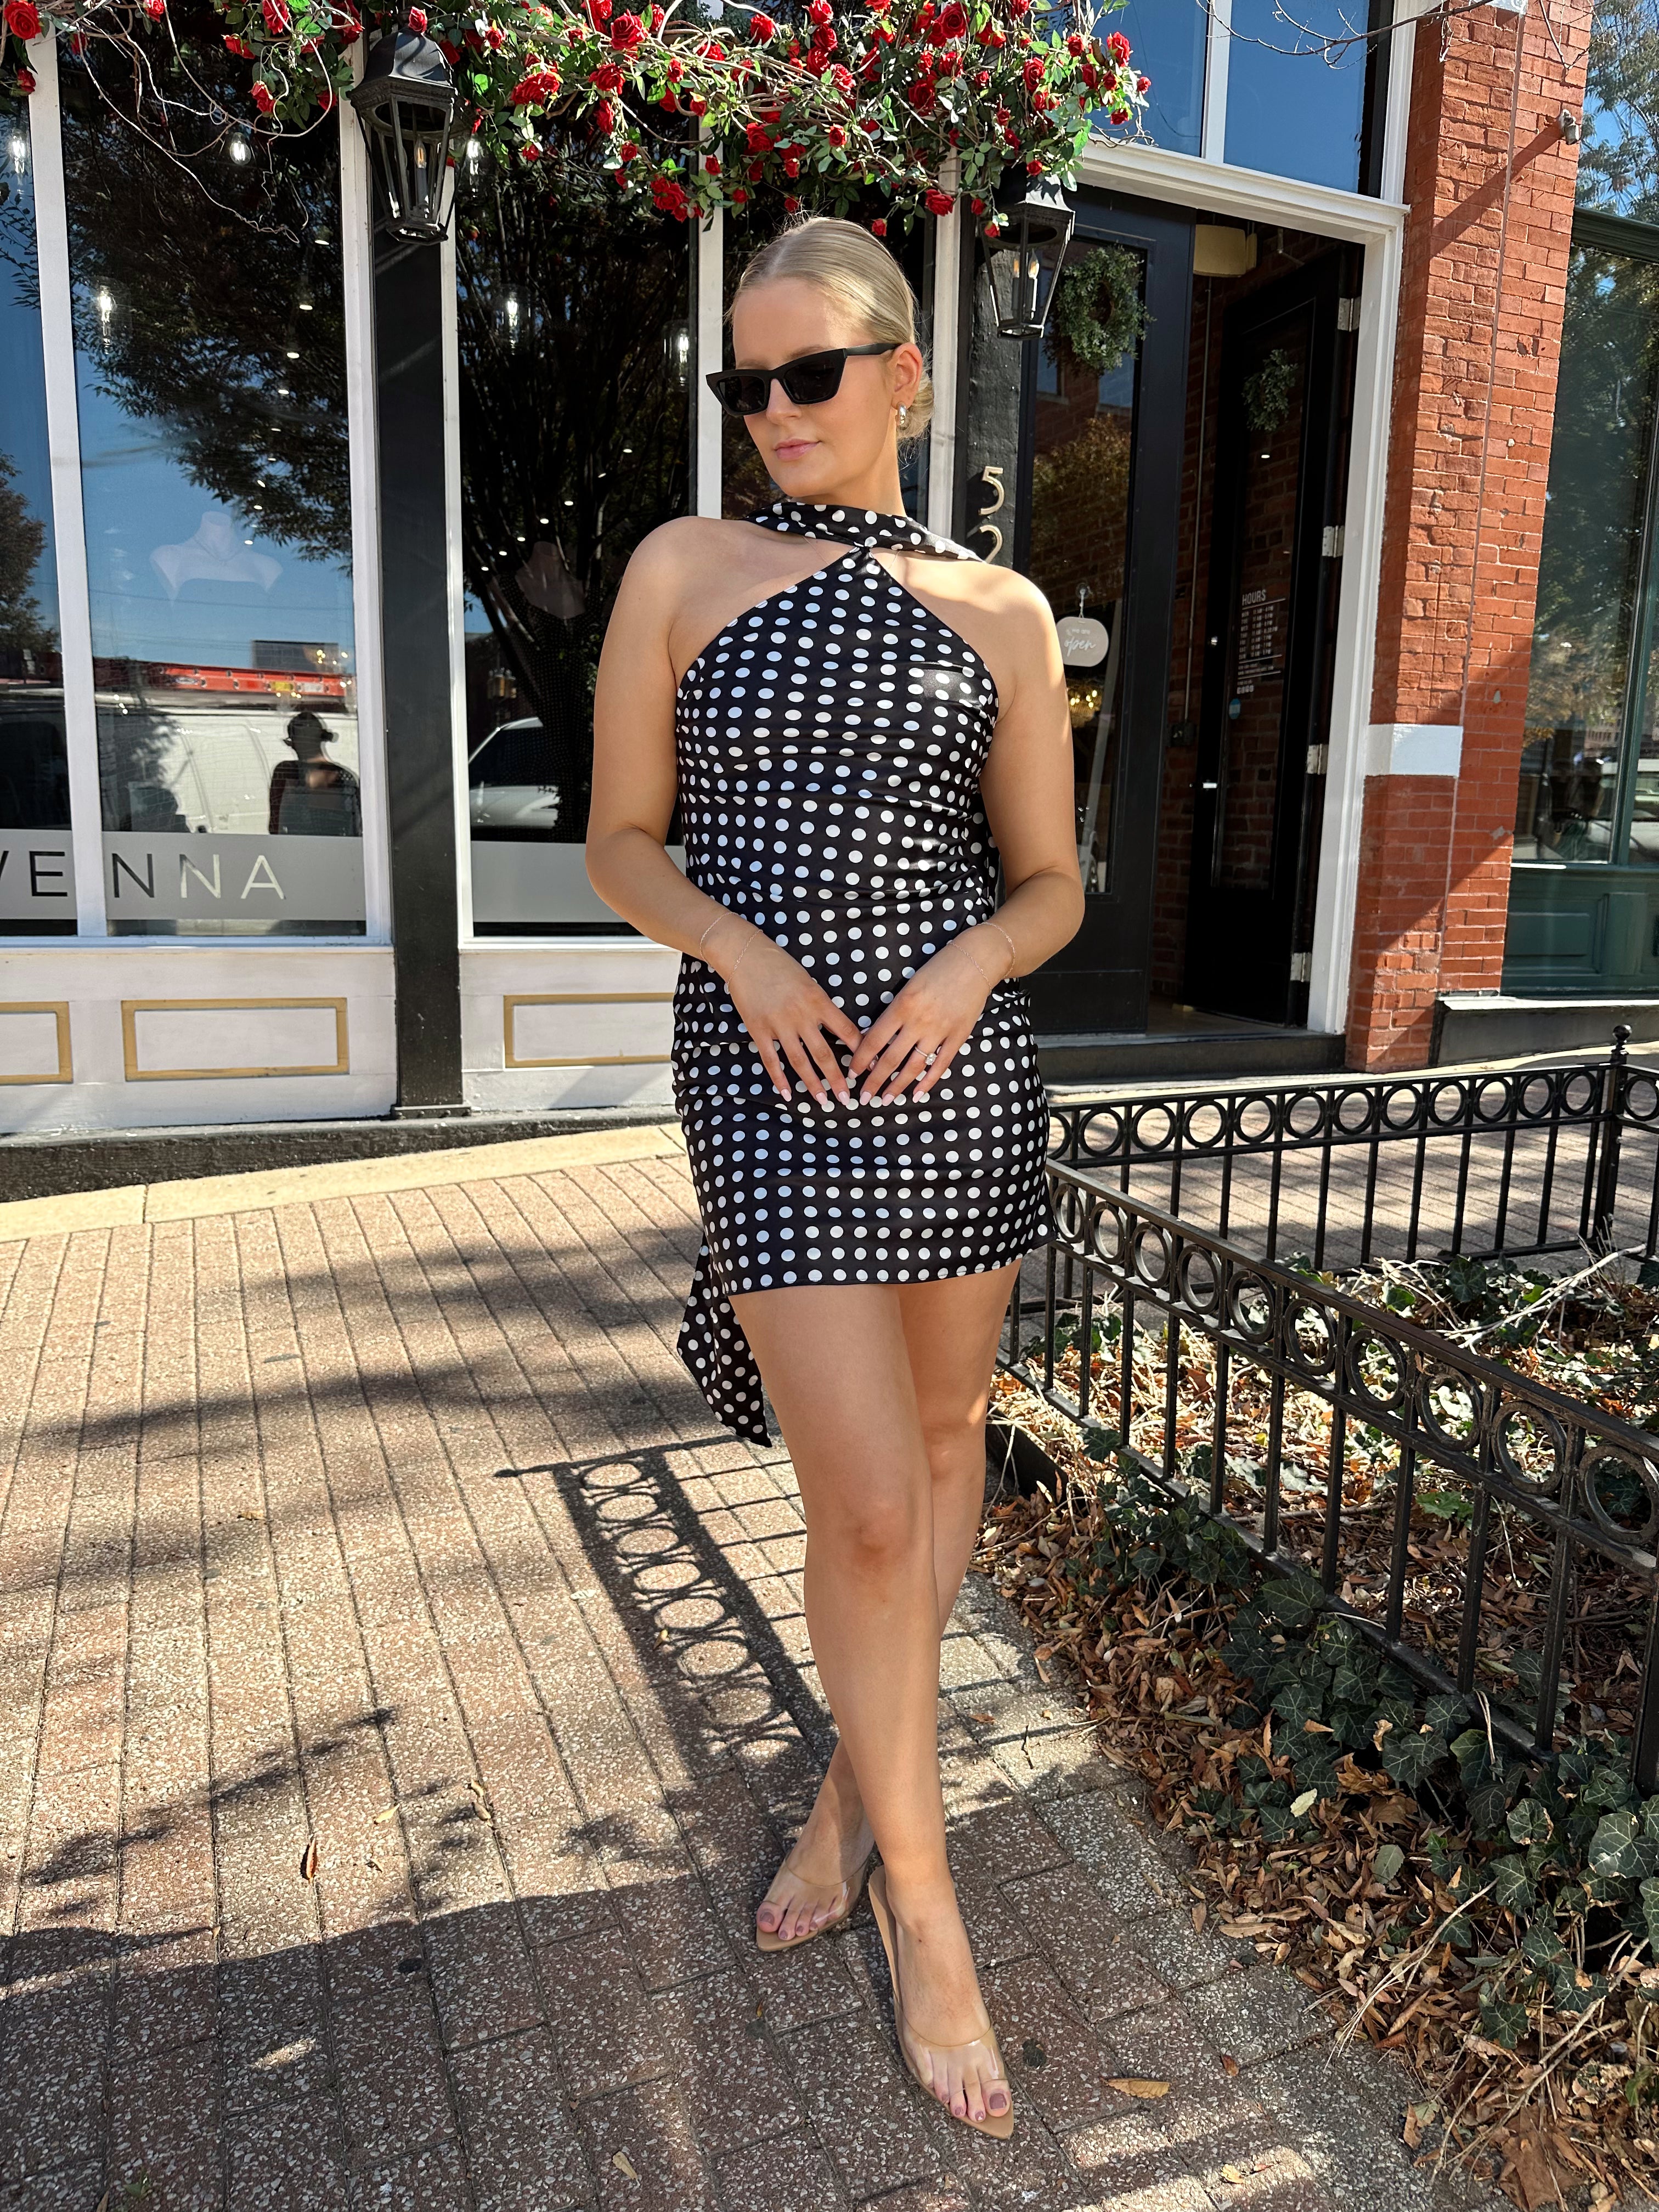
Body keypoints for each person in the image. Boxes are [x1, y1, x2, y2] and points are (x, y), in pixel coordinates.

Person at [586, 216, 1082, 2139]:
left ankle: (841, 1796)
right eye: (746, 382)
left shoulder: (1004, 611)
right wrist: (737, 949)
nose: (772, 412)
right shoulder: (682, 570)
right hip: (773, 1068)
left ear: (901, 377)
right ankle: (927, 1907)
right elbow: (622, 844)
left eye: (808, 374)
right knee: (869, 1509)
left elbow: (1048, 883)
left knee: (949, 1446)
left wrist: (968, 962)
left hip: (957, 1077)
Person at [267, 709, 360, 836]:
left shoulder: (286, 772)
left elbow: (275, 825)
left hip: (300, 850)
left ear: (293, 743)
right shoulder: (345, 777)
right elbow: (355, 829)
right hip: (334, 850)